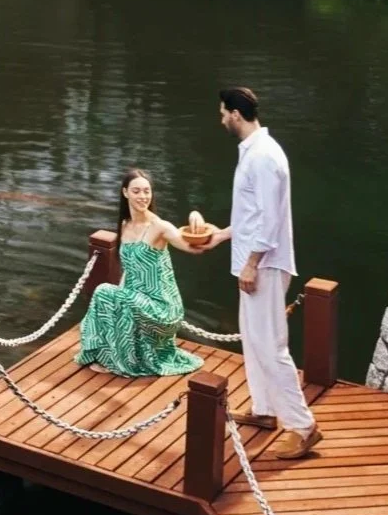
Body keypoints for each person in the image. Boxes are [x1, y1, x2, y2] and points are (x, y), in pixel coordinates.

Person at [201, 86, 322, 460]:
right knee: (253, 341)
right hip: (253, 262)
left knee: (271, 344)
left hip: (265, 265)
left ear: (236, 114)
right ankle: (266, 409)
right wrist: (220, 235)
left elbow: (269, 222)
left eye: (223, 112)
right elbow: (251, 216)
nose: (221, 119)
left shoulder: (265, 157)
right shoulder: (253, 153)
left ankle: (303, 427)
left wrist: (252, 263)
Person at [76, 169, 208, 377]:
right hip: (137, 303)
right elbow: (128, 272)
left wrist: (195, 216)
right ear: (125, 192)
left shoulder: (160, 227)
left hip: (162, 309)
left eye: (147, 191)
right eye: (136, 191)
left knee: (103, 291)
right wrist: (118, 301)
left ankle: (114, 360)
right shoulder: (125, 225)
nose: (143, 196)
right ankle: (105, 354)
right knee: (110, 295)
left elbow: (194, 246)